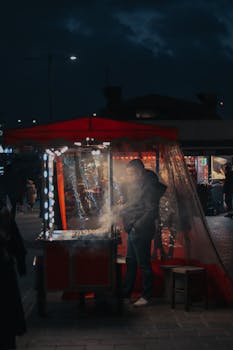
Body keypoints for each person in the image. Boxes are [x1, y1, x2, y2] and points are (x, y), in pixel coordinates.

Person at [119, 159, 166, 307]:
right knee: (130, 261)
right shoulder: (138, 184)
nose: (129, 177)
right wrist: (124, 203)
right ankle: (126, 291)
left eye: (131, 174)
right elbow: (136, 204)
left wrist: (137, 226)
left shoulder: (149, 185)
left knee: (144, 263)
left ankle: (146, 295)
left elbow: (150, 210)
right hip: (133, 227)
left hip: (141, 229)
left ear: (139, 172)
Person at [0, 199, 27, 349]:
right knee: (7, 309)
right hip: (4, 267)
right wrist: (21, 260)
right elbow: (15, 240)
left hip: (4, 267)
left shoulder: (4, 213)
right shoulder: (4, 212)